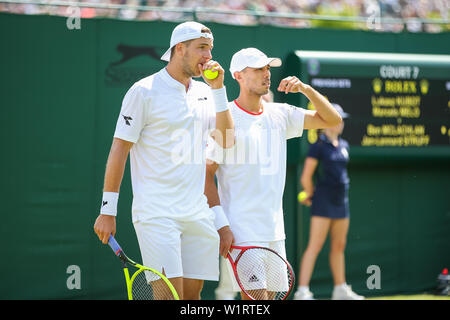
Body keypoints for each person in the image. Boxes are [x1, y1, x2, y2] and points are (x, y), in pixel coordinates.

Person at [93, 21, 234, 300]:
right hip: (157, 214)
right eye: (202, 48)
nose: (209, 56)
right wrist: (107, 209)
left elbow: (228, 140)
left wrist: (218, 90)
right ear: (179, 49)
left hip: (196, 213)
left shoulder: (206, 93)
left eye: (210, 48)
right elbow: (119, 149)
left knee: (192, 298)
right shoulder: (143, 91)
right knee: (169, 298)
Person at [205, 48, 342, 300]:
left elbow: (331, 120)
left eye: (267, 68)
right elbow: (207, 174)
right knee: (256, 301)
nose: (266, 73)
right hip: (241, 230)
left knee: (267, 299)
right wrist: (221, 224)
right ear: (238, 76)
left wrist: (305, 89)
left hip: (274, 230)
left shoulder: (280, 113)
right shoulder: (225, 119)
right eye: (258, 69)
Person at [294, 104, 364, 300]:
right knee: (315, 245)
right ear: (328, 122)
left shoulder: (344, 145)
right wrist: (310, 193)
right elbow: (306, 177)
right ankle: (302, 291)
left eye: (341, 118)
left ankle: (340, 289)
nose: (340, 122)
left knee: (339, 245)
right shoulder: (317, 147)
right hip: (323, 201)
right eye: (338, 118)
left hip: (341, 200)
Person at [214, 89, 274, 301]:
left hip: (268, 229)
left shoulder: (273, 129)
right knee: (229, 290)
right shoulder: (230, 121)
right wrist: (223, 224)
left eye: (267, 100)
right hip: (238, 226)